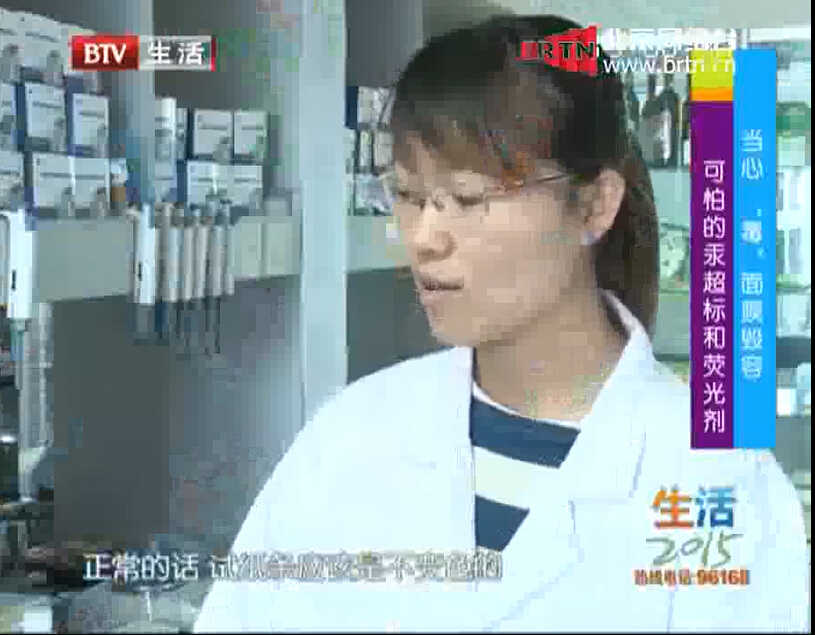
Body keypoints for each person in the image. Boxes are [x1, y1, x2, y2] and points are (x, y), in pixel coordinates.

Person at [194, 15, 809, 632]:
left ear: (594, 205)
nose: (424, 238)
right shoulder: (349, 439)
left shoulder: (720, 480)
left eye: (468, 199)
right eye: (408, 196)